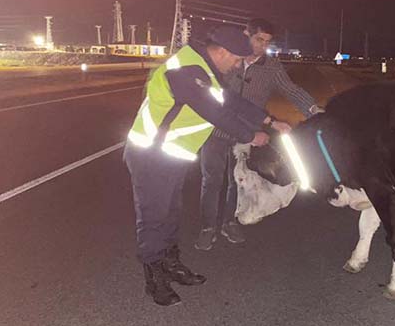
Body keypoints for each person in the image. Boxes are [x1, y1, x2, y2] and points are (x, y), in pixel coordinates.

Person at [124, 25, 290, 306]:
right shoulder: (186, 70)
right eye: (237, 59)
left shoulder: (205, 72)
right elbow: (214, 112)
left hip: (171, 156)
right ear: (223, 52)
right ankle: (154, 279)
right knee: (153, 218)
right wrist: (251, 136)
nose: (238, 65)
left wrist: (270, 121)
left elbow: (232, 102)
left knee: (170, 214)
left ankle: (170, 264)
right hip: (150, 154)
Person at [195, 18, 322, 250]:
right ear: (247, 34)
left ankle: (229, 221)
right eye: (259, 39)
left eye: (267, 41)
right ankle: (207, 227)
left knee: (238, 182)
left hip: (245, 136)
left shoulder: (271, 67)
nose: (262, 46)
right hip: (214, 131)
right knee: (211, 180)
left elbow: (291, 89)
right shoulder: (228, 59)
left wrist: (314, 110)